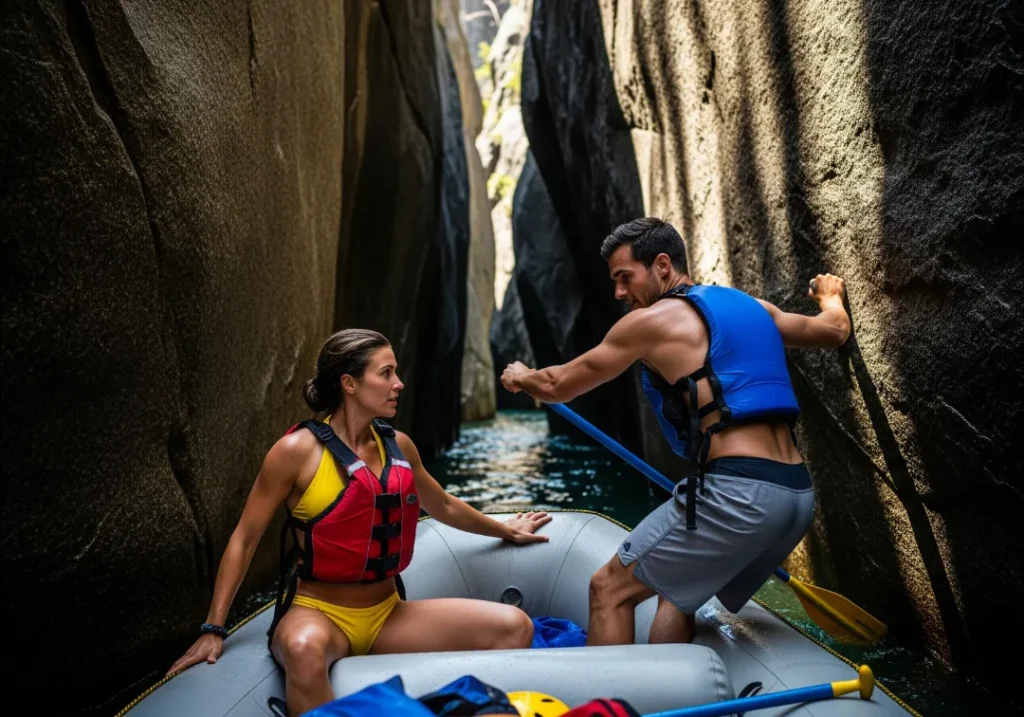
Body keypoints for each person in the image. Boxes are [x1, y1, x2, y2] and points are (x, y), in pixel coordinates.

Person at [501, 217, 850, 647]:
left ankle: (603, 707)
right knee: (676, 597)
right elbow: (833, 331)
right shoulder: (752, 307)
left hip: (737, 495)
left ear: (662, 265)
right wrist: (831, 298)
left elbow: (558, 385)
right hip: (795, 496)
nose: (619, 293)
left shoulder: (650, 322)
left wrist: (522, 376)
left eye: (625, 278)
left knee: (608, 589)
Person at [168, 328, 551, 716]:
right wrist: (213, 629)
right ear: (349, 383)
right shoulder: (295, 452)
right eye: (385, 373)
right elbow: (244, 540)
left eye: (396, 372)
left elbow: (444, 506)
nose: (398, 384)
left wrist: (506, 528)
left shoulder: (399, 446)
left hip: (388, 614)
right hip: (320, 613)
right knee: (302, 649)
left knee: (515, 626)